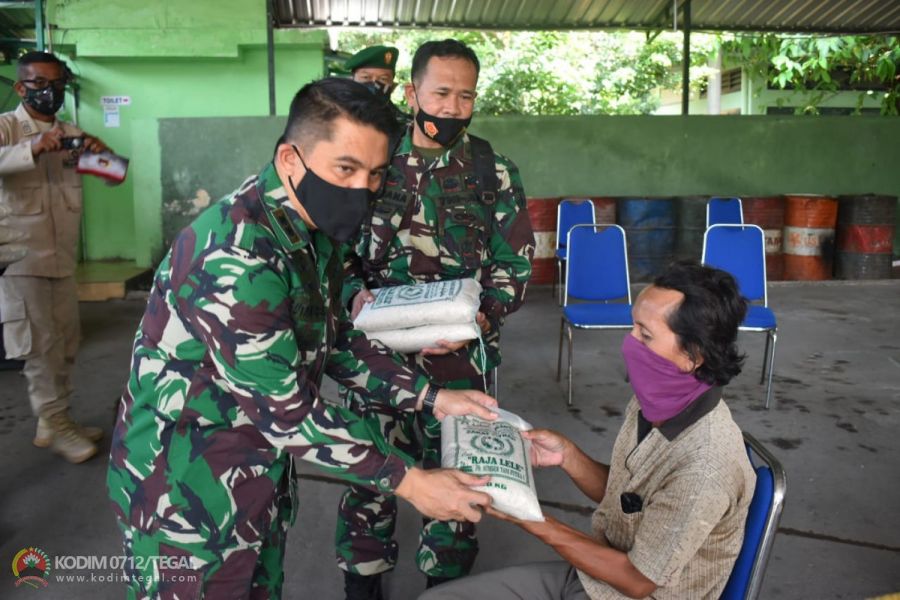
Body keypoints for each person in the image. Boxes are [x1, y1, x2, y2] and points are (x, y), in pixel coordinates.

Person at [107, 77, 500, 599]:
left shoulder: (310, 230)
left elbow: (335, 339)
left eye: (375, 174)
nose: (362, 189)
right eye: (345, 169)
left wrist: (431, 397)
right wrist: (410, 481)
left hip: (254, 476)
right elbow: (286, 411)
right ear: (290, 158)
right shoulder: (238, 256)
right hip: (184, 499)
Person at [421, 261, 757, 600]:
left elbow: (638, 581)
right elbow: (628, 499)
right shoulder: (658, 402)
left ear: (693, 355)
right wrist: (567, 456)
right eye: (632, 327)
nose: (629, 342)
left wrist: (527, 517)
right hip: (596, 580)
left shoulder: (704, 468)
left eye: (645, 335)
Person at [336, 39, 535, 598]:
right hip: (375, 359)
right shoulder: (373, 159)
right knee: (369, 476)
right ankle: (362, 586)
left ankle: (443, 589)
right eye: (441, 92)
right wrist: (352, 296)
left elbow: (515, 265)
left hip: (459, 363)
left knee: (458, 478)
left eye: (465, 96)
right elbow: (336, 246)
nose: (452, 107)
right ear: (411, 92)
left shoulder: (492, 171)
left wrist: (477, 323)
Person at [0, 51, 108, 463]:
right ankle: (55, 421)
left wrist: (101, 153)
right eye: (40, 83)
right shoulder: (7, 128)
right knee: (39, 347)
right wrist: (31, 148)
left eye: (58, 83)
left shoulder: (71, 133)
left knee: (65, 342)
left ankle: (55, 418)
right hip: (21, 259)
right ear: (20, 87)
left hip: (62, 258)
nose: (50, 91)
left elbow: (113, 175)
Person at [347, 44, 410, 124]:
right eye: (366, 77)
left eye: (383, 79)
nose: (374, 84)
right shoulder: (336, 117)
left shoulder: (404, 125)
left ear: (393, 86)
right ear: (350, 82)